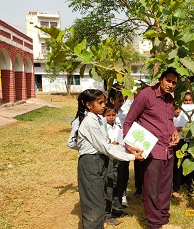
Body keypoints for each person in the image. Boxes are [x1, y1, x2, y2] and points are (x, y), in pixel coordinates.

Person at [74, 89, 143, 228]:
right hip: (91, 163)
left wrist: (128, 149)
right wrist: (131, 156)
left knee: (98, 201)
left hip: (99, 161)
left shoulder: (98, 120)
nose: (104, 105)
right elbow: (106, 148)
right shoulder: (90, 122)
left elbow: (107, 145)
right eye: (100, 103)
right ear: (88, 105)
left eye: (104, 102)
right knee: (93, 205)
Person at [123, 68, 180, 229]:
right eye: (168, 80)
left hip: (168, 150)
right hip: (151, 150)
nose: (170, 85)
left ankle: (164, 220)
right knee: (151, 189)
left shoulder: (169, 100)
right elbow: (128, 121)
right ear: (161, 79)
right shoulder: (146, 95)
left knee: (165, 188)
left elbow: (168, 122)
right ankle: (154, 224)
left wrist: (174, 132)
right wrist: (130, 146)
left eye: (174, 82)